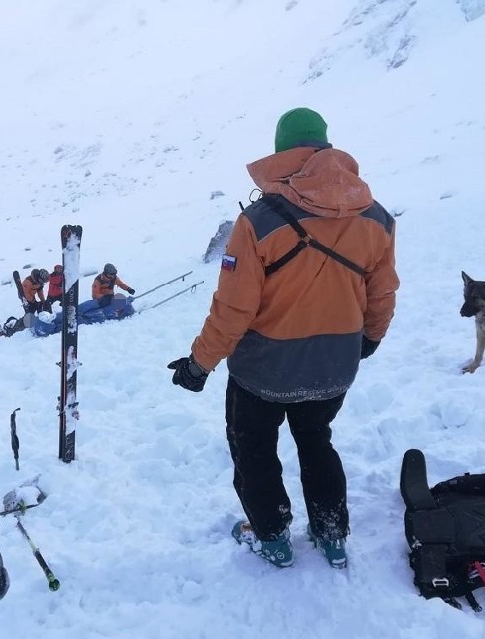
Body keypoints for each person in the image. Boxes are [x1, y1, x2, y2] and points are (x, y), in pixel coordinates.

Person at [167, 107, 398, 569]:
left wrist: (199, 364)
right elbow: (383, 291)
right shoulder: (377, 218)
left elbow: (234, 309)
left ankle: (272, 537)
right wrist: (368, 339)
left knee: (254, 449)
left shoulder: (257, 222)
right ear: (326, 146)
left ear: (283, 152)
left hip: (264, 371)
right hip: (335, 363)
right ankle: (331, 535)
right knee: (317, 441)